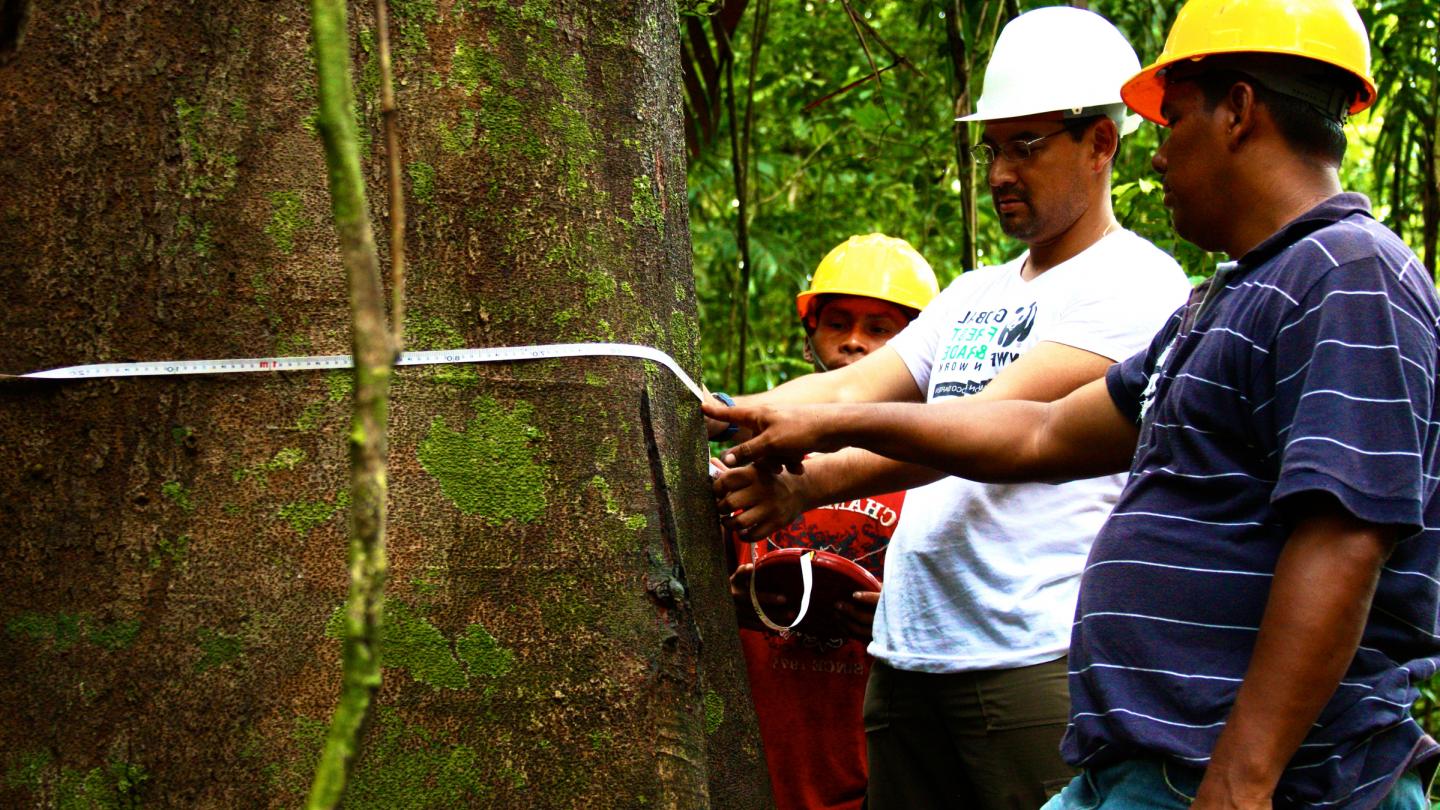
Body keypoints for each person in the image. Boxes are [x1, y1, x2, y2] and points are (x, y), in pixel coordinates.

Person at [704, 0, 1440, 807]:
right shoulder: (1220, 302)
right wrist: (768, 418)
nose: (1156, 157)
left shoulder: (1348, 272)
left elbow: (1344, 537)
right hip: (1142, 754)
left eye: (1172, 121)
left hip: (1256, 775)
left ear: (1237, 111)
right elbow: (1043, 431)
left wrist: (1243, 777)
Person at [705, 8, 1191, 808]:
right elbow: (853, 386)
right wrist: (728, 413)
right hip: (907, 659)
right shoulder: (975, 294)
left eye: (1025, 145)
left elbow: (986, 429)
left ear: (1100, 144)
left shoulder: (1136, 285)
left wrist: (804, 481)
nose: (1001, 170)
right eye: (994, 147)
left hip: (1031, 655)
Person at [721, 233, 938, 810]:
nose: (853, 343)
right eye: (837, 322)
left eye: (879, 329)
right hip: (761, 753)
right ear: (810, 331)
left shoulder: (941, 471)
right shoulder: (755, 461)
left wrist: (902, 618)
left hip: (879, 760)